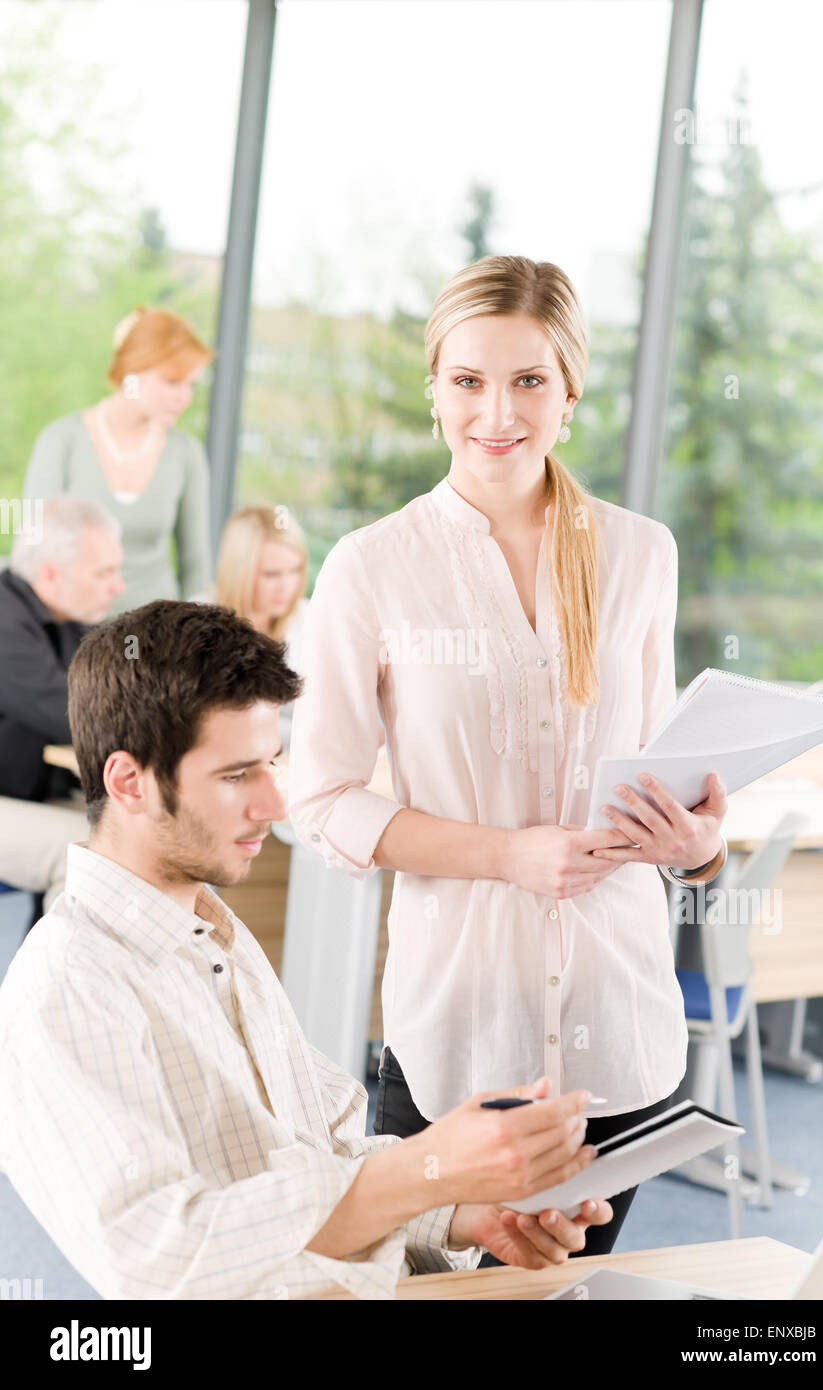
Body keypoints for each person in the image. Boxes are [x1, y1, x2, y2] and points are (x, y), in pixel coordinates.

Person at [287, 254, 729, 1262]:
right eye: (469, 380)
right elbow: (319, 800)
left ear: (568, 393)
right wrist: (507, 853)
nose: (497, 410)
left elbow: (663, 775)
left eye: (528, 380)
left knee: (563, 1304)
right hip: (456, 1042)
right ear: (434, 389)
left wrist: (696, 842)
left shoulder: (639, 556)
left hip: (618, 1040)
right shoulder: (370, 565)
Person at [0, 599, 613, 1300]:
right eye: (236, 776)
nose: (275, 802)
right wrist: (426, 1170)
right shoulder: (69, 990)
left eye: (273, 764)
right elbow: (162, 1259)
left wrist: (460, 1212)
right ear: (127, 782)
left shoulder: (213, 931)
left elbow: (327, 1147)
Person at [22, 306, 213, 613]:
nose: (186, 397)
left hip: (157, 640)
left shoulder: (186, 453)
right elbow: (33, 555)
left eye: (191, 385)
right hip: (73, 636)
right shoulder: (61, 441)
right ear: (131, 371)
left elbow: (196, 566)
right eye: (172, 382)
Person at [0, 496, 125, 910]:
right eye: (104, 572)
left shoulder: (68, 618)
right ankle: (50, 977)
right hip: (12, 797)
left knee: (139, 834)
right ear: (51, 574)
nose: (117, 585)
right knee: (84, 854)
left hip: (28, 791)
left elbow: (118, 693)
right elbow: (74, 714)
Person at [215, 505, 309, 747]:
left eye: (295, 570)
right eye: (271, 575)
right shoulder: (199, 625)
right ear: (239, 572)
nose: (286, 587)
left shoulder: (309, 618)